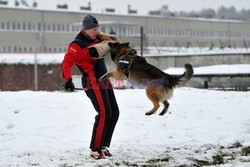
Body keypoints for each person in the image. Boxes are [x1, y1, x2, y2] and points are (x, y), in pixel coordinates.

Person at [61, 15, 120, 159]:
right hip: (92, 81)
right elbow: (66, 63)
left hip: (104, 78)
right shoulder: (76, 45)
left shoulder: (98, 39)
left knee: (114, 112)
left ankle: (104, 147)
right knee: (104, 113)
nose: (96, 31)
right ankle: (95, 149)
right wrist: (68, 79)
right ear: (85, 29)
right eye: (93, 29)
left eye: (97, 28)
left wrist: (112, 40)